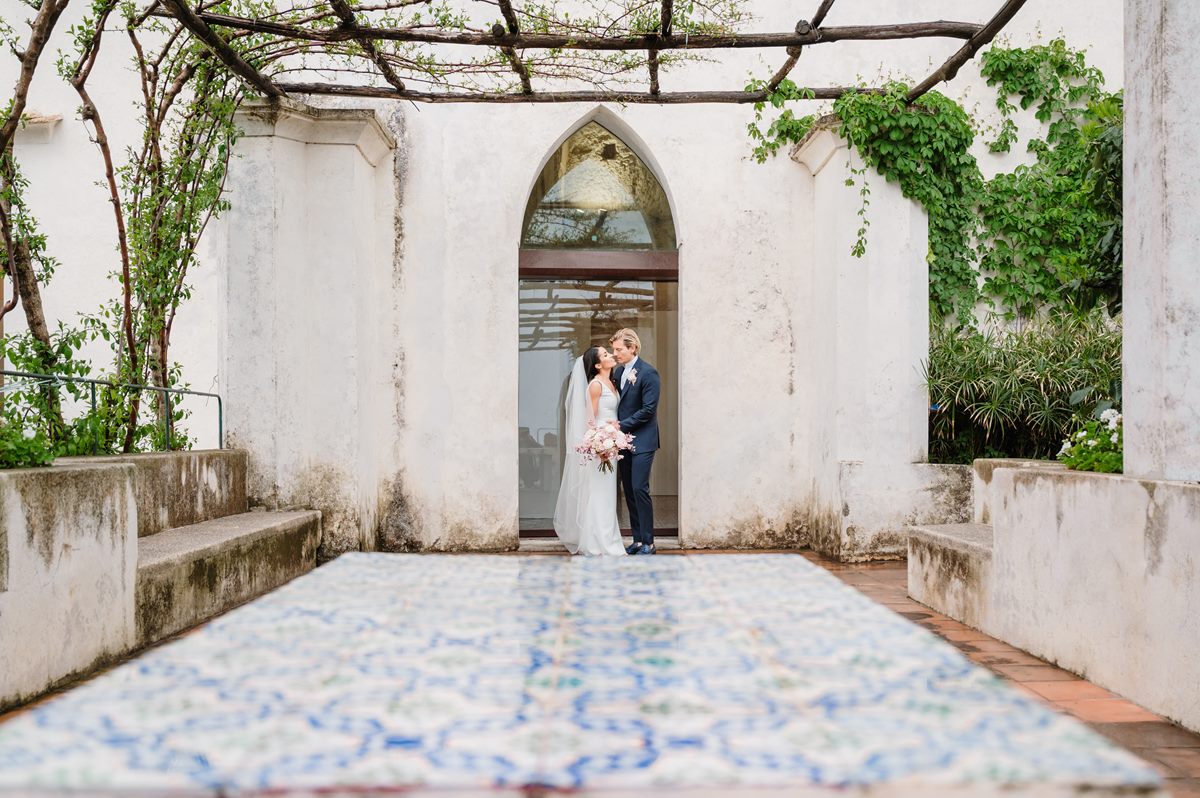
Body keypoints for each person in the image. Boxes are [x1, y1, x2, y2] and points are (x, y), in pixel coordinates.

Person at [552, 346, 627, 556]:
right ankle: (596, 542)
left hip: (612, 444)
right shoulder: (595, 385)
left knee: (609, 494)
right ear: (596, 365)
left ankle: (608, 538)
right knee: (599, 493)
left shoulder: (612, 383)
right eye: (605, 355)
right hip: (601, 447)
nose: (610, 355)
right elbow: (590, 419)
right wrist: (597, 444)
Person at [610, 328, 660, 555]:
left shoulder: (649, 373)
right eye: (614, 350)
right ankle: (637, 540)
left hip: (644, 440)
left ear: (633, 348)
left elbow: (649, 410)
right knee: (629, 490)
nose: (615, 354)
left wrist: (621, 426)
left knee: (640, 488)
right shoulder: (618, 373)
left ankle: (649, 542)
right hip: (623, 442)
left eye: (619, 349)